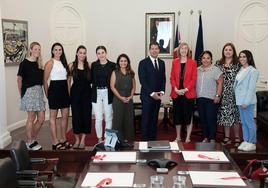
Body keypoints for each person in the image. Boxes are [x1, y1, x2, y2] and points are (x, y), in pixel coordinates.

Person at [17, 42, 45, 150]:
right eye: (35, 49)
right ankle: (29, 142)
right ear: (30, 50)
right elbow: (19, 80)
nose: (37, 51)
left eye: (39, 49)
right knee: (31, 117)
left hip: (38, 92)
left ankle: (32, 138)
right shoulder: (24, 63)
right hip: (29, 92)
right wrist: (22, 94)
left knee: (41, 118)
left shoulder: (40, 64)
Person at [44, 42, 71, 150]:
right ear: (52, 51)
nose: (58, 51)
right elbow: (45, 81)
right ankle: (55, 142)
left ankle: (63, 139)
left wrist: (69, 94)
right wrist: (47, 95)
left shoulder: (64, 63)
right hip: (54, 91)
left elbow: (68, 80)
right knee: (53, 117)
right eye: (56, 49)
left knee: (65, 117)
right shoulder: (50, 63)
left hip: (64, 91)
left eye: (60, 49)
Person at [138, 42, 166, 141]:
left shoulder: (162, 63)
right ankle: (145, 140)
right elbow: (143, 80)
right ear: (149, 50)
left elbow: (163, 78)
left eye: (156, 48)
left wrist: (162, 91)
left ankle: (152, 139)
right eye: (152, 48)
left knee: (154, 119)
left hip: (157, 97)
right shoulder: (143, 63)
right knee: (146, 119)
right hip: (147, 96)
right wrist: (152, 93)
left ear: (159, 50)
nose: (154, 50)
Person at [170, 42, 197, 143]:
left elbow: (194, 79)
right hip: (176, 93)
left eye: (186, 48)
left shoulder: (193, 62)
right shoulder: (174, 62)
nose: (184, 50)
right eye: (182, 48)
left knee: (188, 116)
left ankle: (188, 138)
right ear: (179, 51)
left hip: (188, 93)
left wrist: (185, 89)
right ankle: (178, 137)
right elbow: (172, 77)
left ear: (188, 51)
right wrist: (176, 89)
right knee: (177, 116)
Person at [215, 43, 241, 146]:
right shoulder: (218, 63)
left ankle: (237, 137)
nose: (228, 51)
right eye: (226, 49)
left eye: (230, 50)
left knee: (235, 116)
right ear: (223, 51)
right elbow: (215, 77)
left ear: (233, 52)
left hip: (235, 94)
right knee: (225, 116)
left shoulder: (238, 63)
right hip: (222, 93)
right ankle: (227, 137)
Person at [196, 51, 223, 143]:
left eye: (208, 58)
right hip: (200, 98)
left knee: (210, 119)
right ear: (201, 60)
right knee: (203, 119)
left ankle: (212, 138)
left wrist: (218, 95)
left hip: (211, 99)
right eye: (204, 58)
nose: (205, 60)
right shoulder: (197, 70)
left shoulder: (215, 70)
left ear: (211, 59)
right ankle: (205, 137)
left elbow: (220, 83)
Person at [234, 50, 259, 151]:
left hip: (247, 102)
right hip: (240, 100)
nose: (242, 59)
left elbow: (251, 88)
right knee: (243, 122)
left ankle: (252, 142)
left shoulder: (253, 71)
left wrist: (246, 102)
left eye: (244, 56)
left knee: (249, 122)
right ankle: (246, 140)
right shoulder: (241, 69)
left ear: (249, 58)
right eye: (240, 57)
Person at [69, 45, 92, 149]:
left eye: (84, 53)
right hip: (75, 94)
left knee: (86, 116)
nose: (82, 54)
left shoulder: (89, 66)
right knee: (76, 117)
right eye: (80, 52)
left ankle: (83, 140)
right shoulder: (71, 66)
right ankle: (77, 140)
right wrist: (69, 94)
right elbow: (68, 82)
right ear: (77, 53)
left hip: (87, 94)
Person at [91, 46, 116, 143]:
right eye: (98, 53)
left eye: (102, 52)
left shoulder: (112, 65)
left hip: (108, 93)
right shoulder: (94, 65)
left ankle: (107, 137)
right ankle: (99, 138)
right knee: (98, 117)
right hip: (96, 93)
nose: (101, 55)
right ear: (96, 54)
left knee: (108, 116)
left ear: (106, 53)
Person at [110, 54, 136, 142]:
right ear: (118, 62)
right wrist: (121, 97)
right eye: (121, 61)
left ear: (128, 62)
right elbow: (112, 87)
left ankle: (128, 140)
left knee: (128, 120)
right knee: (118, 120)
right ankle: (117, 140)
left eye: (125, 61)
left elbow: (133, 87)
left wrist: (131, 96)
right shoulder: (115, 72)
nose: (123, 62)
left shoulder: (131, 72)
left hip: (129, 99)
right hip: (118, 99)